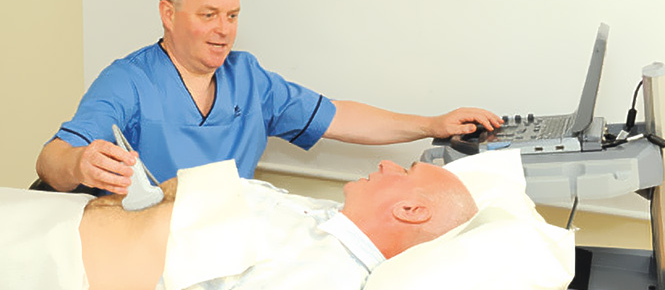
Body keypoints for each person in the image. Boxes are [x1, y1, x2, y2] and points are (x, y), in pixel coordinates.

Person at [35, 0, 502, 195]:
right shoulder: (128, 81)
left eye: (233, 16)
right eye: (209, 15)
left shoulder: (248, 78)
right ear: (168, 13)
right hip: (150, 246)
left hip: (224, 242)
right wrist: (78, 164)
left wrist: (430, 124)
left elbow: (338, 116)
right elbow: (50, 161)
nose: (224, 31)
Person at [76, 159, 478, 290]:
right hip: (76, 217)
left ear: (410, 211)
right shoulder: (323, 215)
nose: (386, 164)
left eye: (404, 171)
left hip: (63, 260)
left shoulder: (322, 274)